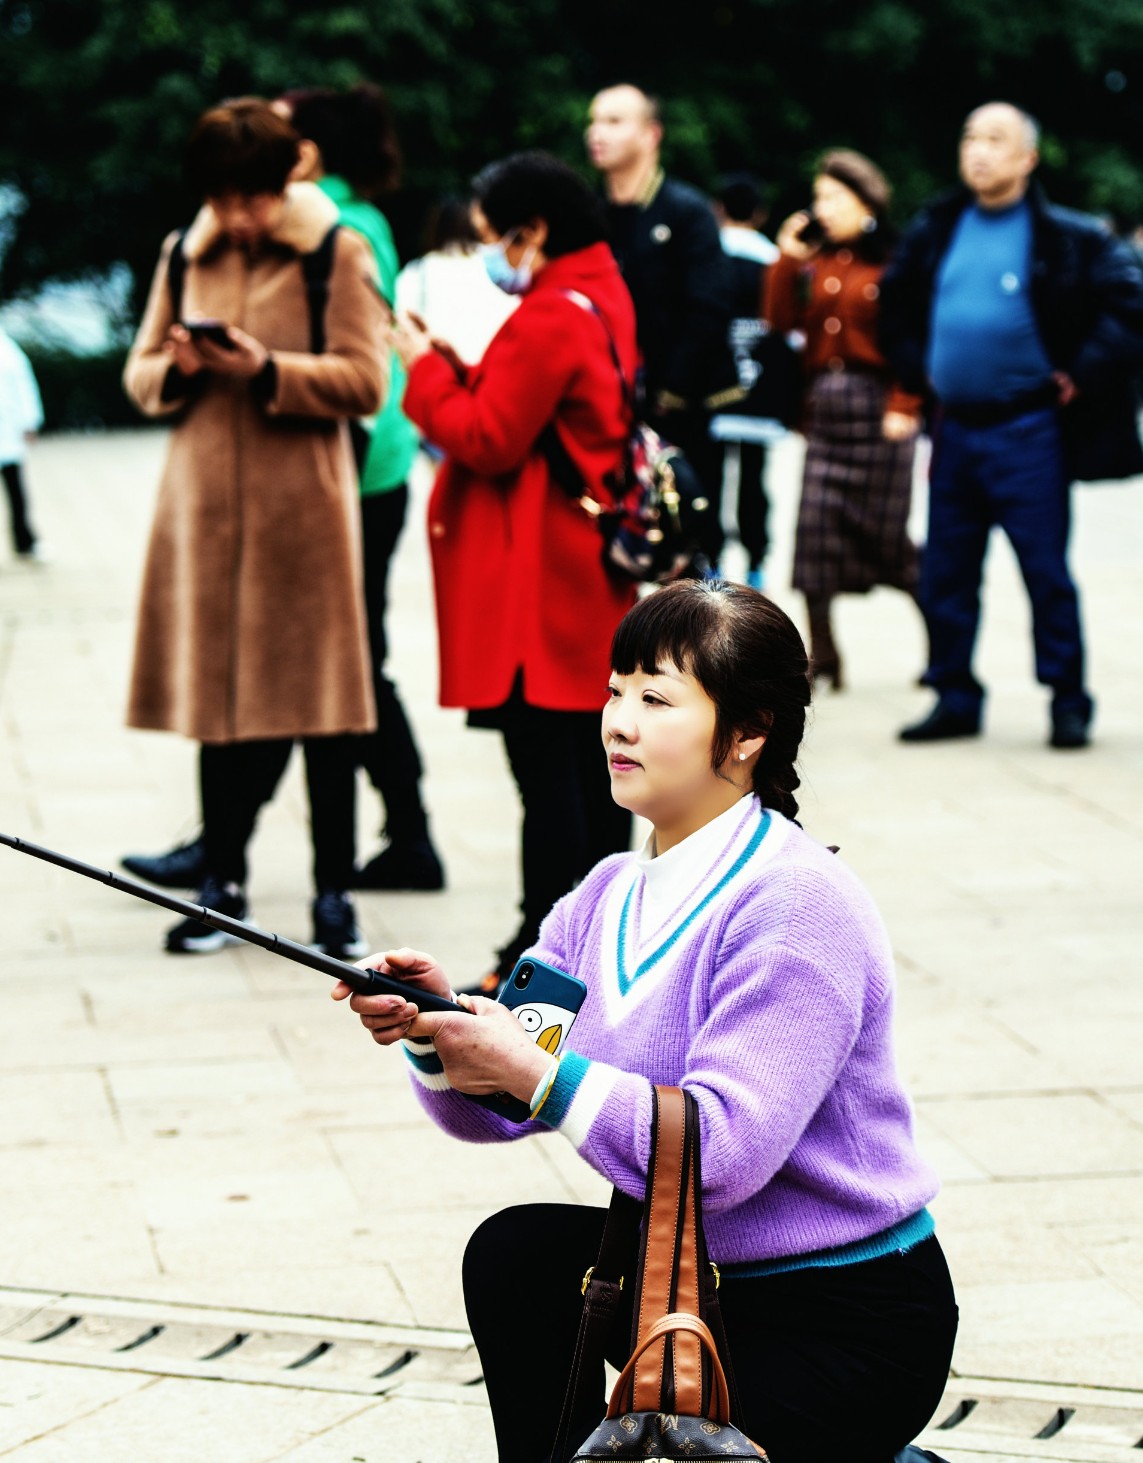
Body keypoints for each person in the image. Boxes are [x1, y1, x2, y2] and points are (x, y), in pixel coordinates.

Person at [334, 579, 958, 1463]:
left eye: (655, 699)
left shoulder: (795, 903)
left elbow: (721, 1153)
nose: (617, 723)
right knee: (512, 1256)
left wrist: (526, 1066)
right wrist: (437, 1031)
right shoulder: (604, 893)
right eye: (613, 690)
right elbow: (497, 1107)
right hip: (687, 1286)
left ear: (747, 732)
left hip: (843, 1313)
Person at [120, 98, 388, 957]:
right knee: (219, 705)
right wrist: (180, 367)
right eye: (222, 198)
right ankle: (221, 884)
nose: (237, 216)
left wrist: (265, 367)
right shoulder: (182, 251)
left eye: (253, 197)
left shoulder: (334, 249)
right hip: (201, 511)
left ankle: (333, 892)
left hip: (302, 513)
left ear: (283, 183)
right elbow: (138, 372)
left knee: (326, 709)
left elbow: (366, 380)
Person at [393, 151, 638, 993]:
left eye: (491, 237)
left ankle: (542, 950)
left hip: (540, 578)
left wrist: (423, 369)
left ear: (532, 232)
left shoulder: (548, 315)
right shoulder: (599, 291)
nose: (488, 255)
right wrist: (454, 366)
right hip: (581, 568)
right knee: (594, 770)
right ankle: (597, 942)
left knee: (549, 778)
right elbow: (523, 407)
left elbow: (488, 436)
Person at [881, 102, 1143, 749]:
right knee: (946, 571)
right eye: (970, 136)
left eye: (995, 139)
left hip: (1028, 430)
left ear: (1027, 158)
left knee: (1044, 572)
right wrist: (916, 368)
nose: (977, 150)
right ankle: (954, 694)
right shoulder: (938, 225)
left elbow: (1128, 300)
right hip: (953, 429)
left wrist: (1083, 370)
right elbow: (894, 300)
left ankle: (1067, 697)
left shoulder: (1067, 235)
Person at [278, 83, 445, 893]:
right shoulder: (345, 218)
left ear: (310, 151)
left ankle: (410, 834)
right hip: (363, 470)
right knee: (345, 659)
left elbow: (359, 366)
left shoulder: (337, 225)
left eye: (278, 135)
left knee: (351, 664)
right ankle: (407, 833)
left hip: (355, 476)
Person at [765, 150, 922, 690]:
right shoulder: (818, 262)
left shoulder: (896, 262)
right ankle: (824, 654)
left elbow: (914, 339)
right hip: (825, 412)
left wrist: (905, 404)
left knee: (890, 545)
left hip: (879, 414)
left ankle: (944, 649)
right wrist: (787, 260)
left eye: (834, 197)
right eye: (819, 197)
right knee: (812, 540)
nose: (822, 208)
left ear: (867, 203)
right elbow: (779, 321)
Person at [586, 85, 739, 576]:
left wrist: (669, 390)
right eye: (594, 120)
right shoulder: (588, 214)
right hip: (605, 405)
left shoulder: (687, 212)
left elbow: (709, 309)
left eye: (614, 121)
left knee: (686, 551)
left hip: (678, 407)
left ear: (651, 134)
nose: (597, 133)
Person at [709, 173, 792, 589]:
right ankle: (756, 563)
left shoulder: (709, 255)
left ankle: (711, 563)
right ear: (760, 214)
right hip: (761, 386)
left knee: (711, 475)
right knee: (754, 479)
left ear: (719, 209)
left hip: (713, 385)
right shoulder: (775, 260)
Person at [395, 196, 518, 368]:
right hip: (488, 371)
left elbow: (403, 326)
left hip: (435, 372)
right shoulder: (499, 269)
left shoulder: (417, 271)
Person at [0, 318, 45, 562]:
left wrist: (29, 421)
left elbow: (23, 384)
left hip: (6, 427)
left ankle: (25, 541)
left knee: (15, 489)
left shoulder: (4, 347)